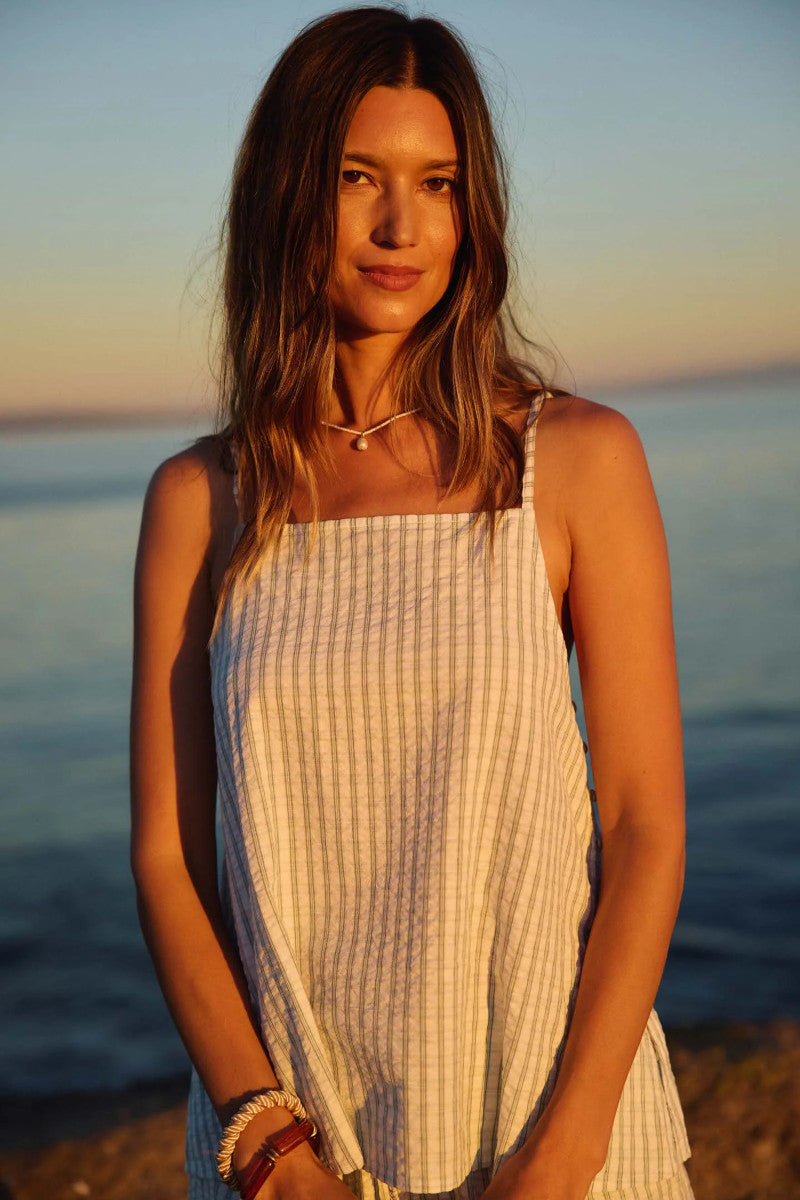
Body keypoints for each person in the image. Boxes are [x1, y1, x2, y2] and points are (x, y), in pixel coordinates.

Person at [130, 7, 695, 1200]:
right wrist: (274, 1156)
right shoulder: (204, 498)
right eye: (356, 178)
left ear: (470, 209)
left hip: (547, 1137)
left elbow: (643, 825)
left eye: (435, 183)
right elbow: (171, 859)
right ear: (288, 193)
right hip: (289, 1151)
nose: (401, 226)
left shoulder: (571, 460)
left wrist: (564, 1153)